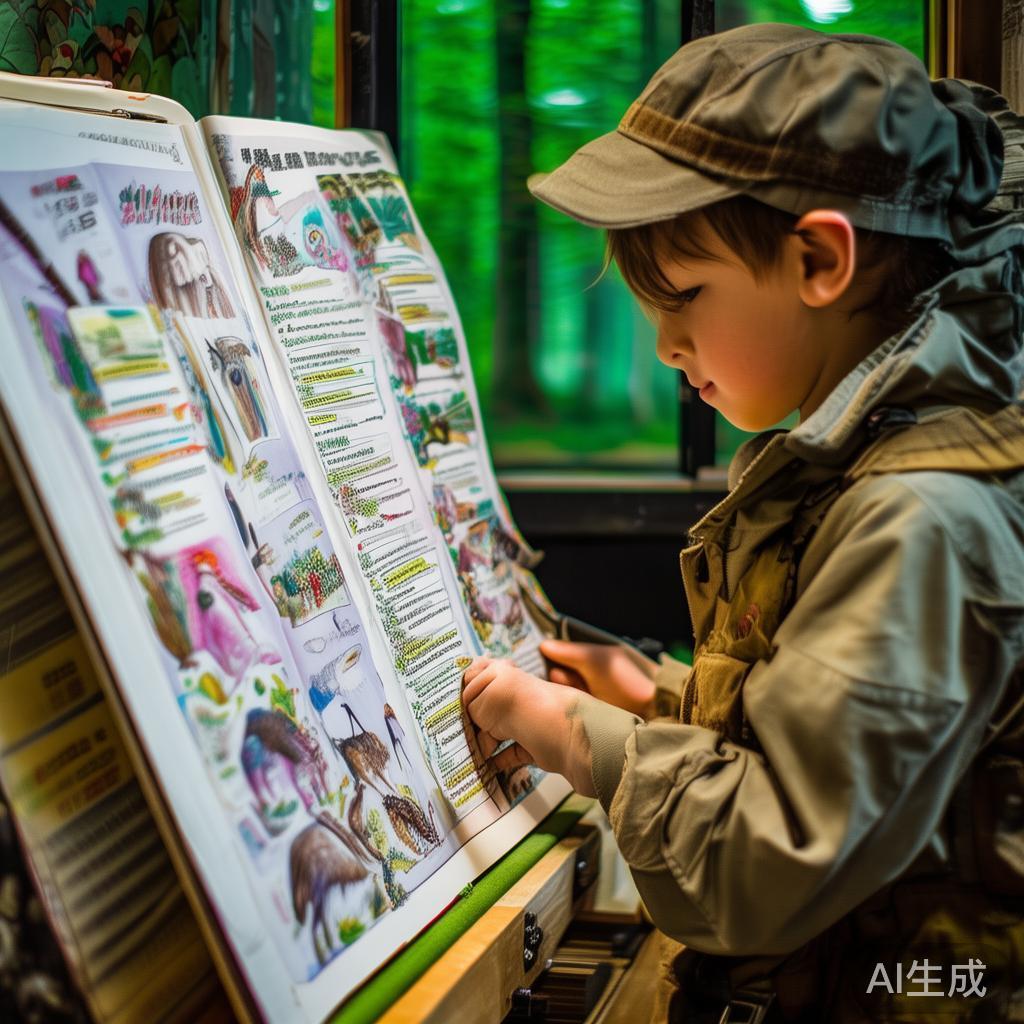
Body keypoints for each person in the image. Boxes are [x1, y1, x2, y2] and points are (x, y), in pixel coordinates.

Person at [461, 23, 1024, 1023]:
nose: (667, 343)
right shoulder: (876, 461)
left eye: (682, 296)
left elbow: (773, 858)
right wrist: (661, 698)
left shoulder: (920, 515)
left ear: (819, 259)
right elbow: (844, 736)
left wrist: (578, 738)